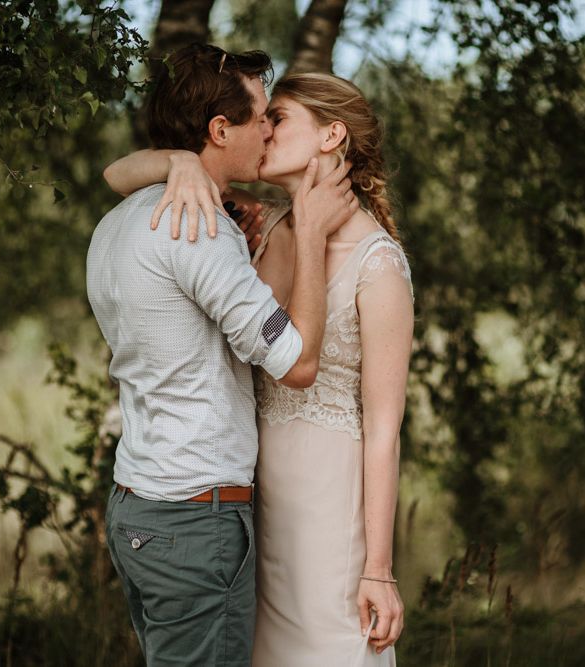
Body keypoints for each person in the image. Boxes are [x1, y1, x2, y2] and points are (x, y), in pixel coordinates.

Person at [104, 71, 413, 665]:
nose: (265, 131)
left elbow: (383, 431)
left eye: (281, 119)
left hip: (329, 509)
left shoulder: (380, 265)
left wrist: (379, 569)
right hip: (246, 506)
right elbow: (117, 176)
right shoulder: (257, 224)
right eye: (262, 118)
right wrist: (181, 163)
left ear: (332, 136)